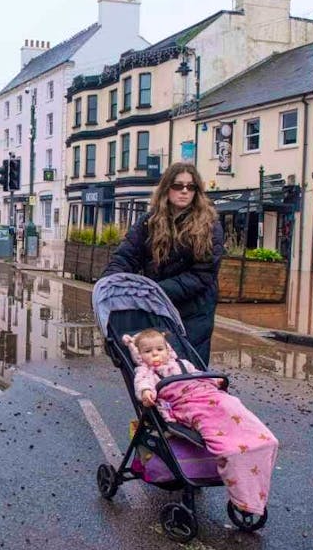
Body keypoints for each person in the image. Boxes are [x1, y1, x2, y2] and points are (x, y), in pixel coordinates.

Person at [126, 329, 278, 516]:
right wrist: (146, 393)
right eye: (148, 351)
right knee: (210, 418)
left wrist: (215, 381)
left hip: (208, 394)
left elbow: (199, 374)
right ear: (139, 355)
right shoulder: (146, 371)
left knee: (231, 404)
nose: (155, 354)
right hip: (186, 403)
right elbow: (142, 384)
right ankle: (231, 449)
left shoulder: (183, 364)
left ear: (168, 349)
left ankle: (256, 439)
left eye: (159, 349)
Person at [102, 162, 225, 364]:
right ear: (167, 188)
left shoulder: (210, 225)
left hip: (194, 310)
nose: (184, 191)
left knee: (188, 370)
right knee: (153, 367)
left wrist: (156, 291)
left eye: (191, 187)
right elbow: (126, 256)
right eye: (178, 186)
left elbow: (203, 273)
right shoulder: (149, 222)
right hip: (157, 307)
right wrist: (109, 283)